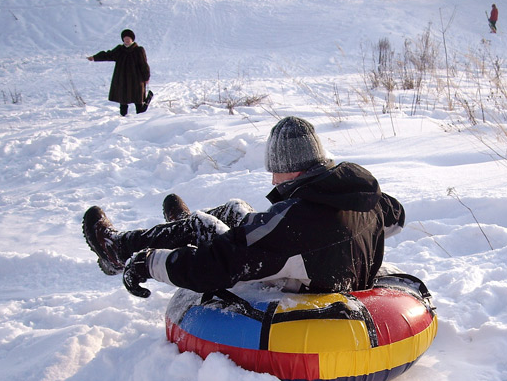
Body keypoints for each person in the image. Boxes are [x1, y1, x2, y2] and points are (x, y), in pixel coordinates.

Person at [82, 116, 406, 298]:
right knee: (237, 209)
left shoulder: (295, 224)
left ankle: (117, 249)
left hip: (289, 277)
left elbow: (215, 266)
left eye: (275, 169)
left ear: (292, 168)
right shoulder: (368, 201)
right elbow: (397, 217)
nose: (272, 178)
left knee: (202, 226)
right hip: (316, 261)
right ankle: (179, 230)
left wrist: (149, 263)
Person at [87, 29, 152, 117]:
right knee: (123, 100)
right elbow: (108, 55)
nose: (127, 40)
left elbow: (144, 65)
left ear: (132, 39)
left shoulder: (139, 50)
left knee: (138, 100)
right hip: (123, 79)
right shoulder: (120, 49)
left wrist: (146, 77)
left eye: (128, 38)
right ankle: (123, 119)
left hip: (136, 79)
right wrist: (95, 57)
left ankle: (140, 120)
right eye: (125, 38)